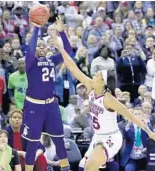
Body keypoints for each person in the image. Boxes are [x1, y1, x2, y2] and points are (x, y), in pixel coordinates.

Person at [54, 29, 155, 171]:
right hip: (97, 136)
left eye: (97, 76)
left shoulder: (109, 99)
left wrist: (149, 132)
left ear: (103, 83)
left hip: (111, 137)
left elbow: (130, 115)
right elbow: (72, 66)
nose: (93, 76)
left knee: (90, 166)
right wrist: (60, 48)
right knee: (84, 168)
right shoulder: (91, 86)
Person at [22, 16, 71, 171]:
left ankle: (65, 168)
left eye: (44, 46)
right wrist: (36, 28)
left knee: (59, 138)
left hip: (51, 104)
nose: (42, 48)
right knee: (32, 142)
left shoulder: (51, 60)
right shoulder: (31, 61)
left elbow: (68, 51)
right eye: (39, 46)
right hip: (34, 106)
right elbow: (30, 49)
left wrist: (62, 33)